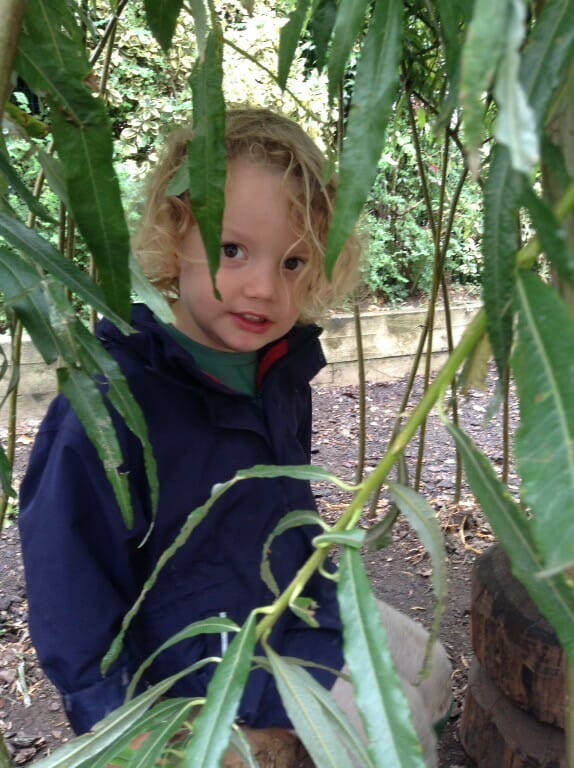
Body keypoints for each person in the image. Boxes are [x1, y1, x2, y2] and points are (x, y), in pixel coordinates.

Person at [18, 107, 451, 765]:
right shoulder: (108, 408)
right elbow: (68, 597)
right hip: (196, 655)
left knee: (432, 668)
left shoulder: (280, 369)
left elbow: (285, 512)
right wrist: (124, 734)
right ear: (176, 230)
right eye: (232, 249)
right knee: (386, 731)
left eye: (294, 262)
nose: (262, 287)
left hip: (290, 604)